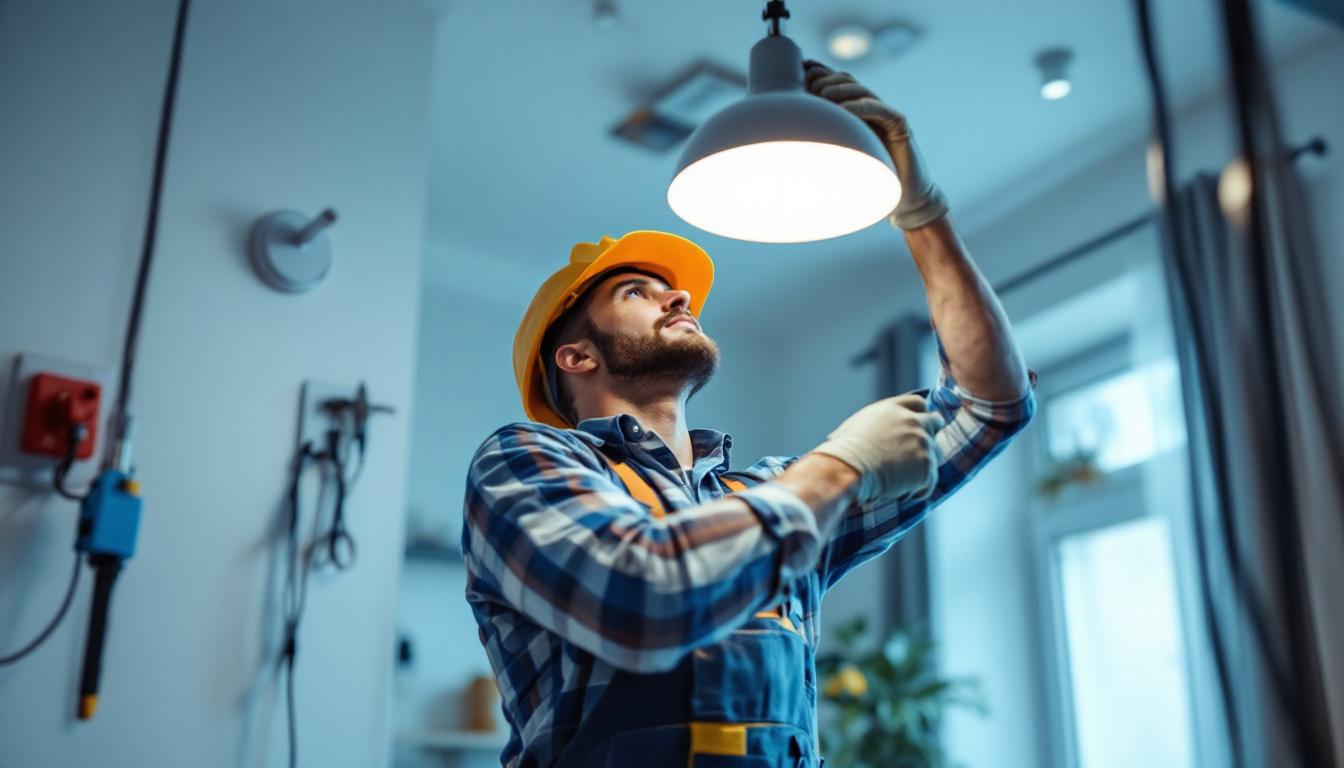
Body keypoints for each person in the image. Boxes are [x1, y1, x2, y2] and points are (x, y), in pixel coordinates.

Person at [461, 61, 1036, 767]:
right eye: (640, 293)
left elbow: (991, 405)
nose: (680, 298)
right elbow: (640, 601)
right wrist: (838, 469)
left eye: (676, 293)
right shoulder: (526, 460)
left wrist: (921, 211)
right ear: (577, 358)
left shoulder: (768, 500)